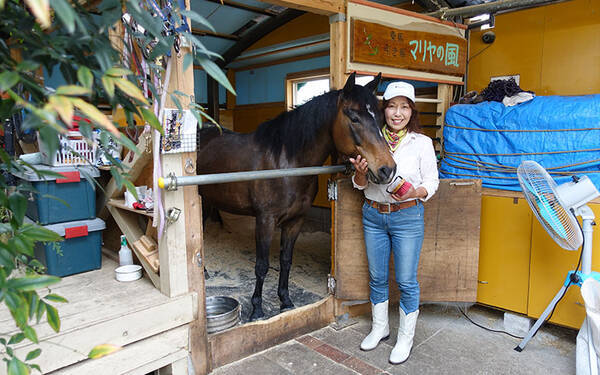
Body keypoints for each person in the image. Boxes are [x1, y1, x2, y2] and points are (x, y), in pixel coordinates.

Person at [349, 81, 439, 364]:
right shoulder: (370, 139)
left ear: (412, 111)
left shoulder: (422, 143)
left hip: (407, 217)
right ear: (383, 109)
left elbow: (432, 182)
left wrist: (417, 192)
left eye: (404, 107)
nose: (397, 113)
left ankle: (405, 339)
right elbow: (360, 185)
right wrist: (360, 173)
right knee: (377, 277)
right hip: (373, 215)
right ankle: (380, 328)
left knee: (406, 281)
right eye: (391, 106)